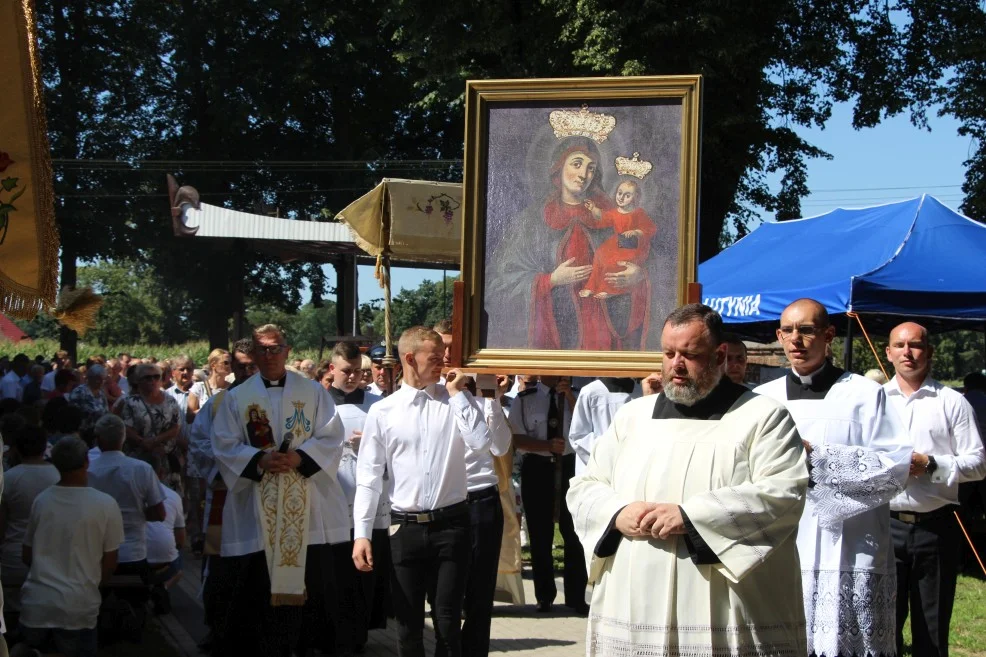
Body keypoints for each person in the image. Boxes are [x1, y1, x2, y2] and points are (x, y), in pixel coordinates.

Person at [567, 303, 809, 656]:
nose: (675, 365)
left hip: (721, 609)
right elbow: (585, 488)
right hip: (633, 600)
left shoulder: (763, 417)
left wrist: (690, 517)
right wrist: (618, 512)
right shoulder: (632, 417)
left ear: (720, 354)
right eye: (668, 353)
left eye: (690, 354)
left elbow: (783, 493)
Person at [755, 299, 912, 657]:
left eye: (807, 330)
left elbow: (897, 467)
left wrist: (819, 459)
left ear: (828, 335)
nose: (797, 339)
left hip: (850, 548)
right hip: (784, 545)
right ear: (779, 336)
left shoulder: (864, 394)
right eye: (789, 331)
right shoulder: (761, 400)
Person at [353, 326, 492, 657]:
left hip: (452, 524)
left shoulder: (456, 401)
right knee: (408, 624)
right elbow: (369, 475)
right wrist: (361, 533)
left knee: (447, 622)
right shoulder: (383, 411)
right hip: (405, 527)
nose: (443, 362)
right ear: (410, 358)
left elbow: (481, 444)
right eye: (435, 357)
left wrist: (459, 395)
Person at [211, 324, 348, 657]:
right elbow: (223, 444)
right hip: (256, 511)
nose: (270, 355)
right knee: (257, 594)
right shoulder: (236, 398)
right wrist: (259, 459)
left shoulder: (313, 392)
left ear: (287, 351)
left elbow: (332, 435)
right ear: (254, 355)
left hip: (307, 507)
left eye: (276, 348)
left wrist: (299, 456)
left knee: (311, 589)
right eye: (263, 350)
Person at [486, 132, 666, 352]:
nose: (583, 174)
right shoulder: (533, 221)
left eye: (591, 168)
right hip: (558, 331)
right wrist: (550, 280)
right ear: (558, 167)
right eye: (577, 164)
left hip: (607, 330)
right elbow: (500, 282)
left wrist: (638, 275)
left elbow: (637, 254)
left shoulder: (611, 216)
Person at [884, 322, 986, 657]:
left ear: (929, 352)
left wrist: (931, 465)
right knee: (884, 628)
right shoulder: (875, 402)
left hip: (936, 528)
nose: (907, 352)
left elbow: (979, 464)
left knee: (932, 628)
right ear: (888, 352)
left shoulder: (952, 402)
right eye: (899, 345)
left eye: (915, 345)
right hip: (884, 526)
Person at [19, 436, 124, 657]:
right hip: (79, 605)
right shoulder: (105, 504)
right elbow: (110, 563)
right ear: (87, 461)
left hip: (37, 603)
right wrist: (89, 585)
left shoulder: (42, 500)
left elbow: (27, 554)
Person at [187, 338, 254, 655]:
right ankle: (217, 627)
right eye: (238, 366)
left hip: (262, 501)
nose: (243, 371)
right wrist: (235, 466)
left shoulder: (275, 403)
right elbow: (199, 445)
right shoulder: (215, 405)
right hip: (224, 500)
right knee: (218, 566)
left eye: (250, 365)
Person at [323, 342, 388, 653]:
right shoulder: (319, 404)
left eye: (357, 372)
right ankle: (331, 632)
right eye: (345, 371)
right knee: (333, 571)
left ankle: (358, 633)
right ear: (332, 369)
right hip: (330, 497)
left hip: (368, 501)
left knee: (363, 573)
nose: (351, 377)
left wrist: (374, 446)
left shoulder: (378, 405)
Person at [508, 374, 588, 614]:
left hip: (571, 466)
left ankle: (575, 596)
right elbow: (517, 438)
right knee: (539, 533)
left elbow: (587, 425)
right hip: (538, 467)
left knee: (574, 532)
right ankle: (544, 595)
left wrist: (571, 398)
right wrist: (546, 446)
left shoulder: (578, 396)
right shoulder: (525, 399)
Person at [87, 414, 166, 629]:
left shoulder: (87, 472)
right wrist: (136, 514)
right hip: (133, 555)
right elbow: (160, 514)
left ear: (98, 439)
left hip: (97, 556)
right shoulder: (141, 469)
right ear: (123, 438)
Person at [0, 425, 59, 627]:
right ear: (45, 448)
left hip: (14, 561)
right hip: (54, 562)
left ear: (16, 448)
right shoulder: (60, 478)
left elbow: (1, 527)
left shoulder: (8, 479)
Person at [581, 176, 657, 300]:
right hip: (618, 242)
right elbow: (603, 217)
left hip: (634, 245)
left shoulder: (638, 213)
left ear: (635, 198)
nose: (621, 197)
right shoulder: (615, 212)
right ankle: (592, 286)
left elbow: (651, 228)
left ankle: (609, 290)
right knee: (600, 254)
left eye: (627, 195)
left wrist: (636, 232)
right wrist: (593, 208)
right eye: (619, 193)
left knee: (615, 262)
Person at [114, 363, 183, 494]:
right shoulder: (129, 402)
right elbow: (125, 427)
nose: (152, 380)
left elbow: (176, 426)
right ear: (138, 380)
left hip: (165, 459)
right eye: (147, 377)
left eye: (156, 377)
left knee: (168, 498)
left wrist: (155, 441)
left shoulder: (170, 401)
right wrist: (143, 442)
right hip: (139, 458)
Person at [569, 377, 641, 476]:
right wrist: (612, 450)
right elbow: (579, 436)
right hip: (599, 470)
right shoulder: (591, 392)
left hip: (632, 467)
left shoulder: (642, 392)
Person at [144, 453, 186, 615]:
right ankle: (163, 586)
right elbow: (181, 538)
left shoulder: (128, 492)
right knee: (179, 562)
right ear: (161, 473)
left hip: (132, 558)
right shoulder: (173, 496)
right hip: (164, 562)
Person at [66, 364, 109, 438]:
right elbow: (72, 415)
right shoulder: (79, 392)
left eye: (103, 379)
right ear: (90, 378)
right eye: (98, 379)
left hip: (98, 434)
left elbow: (106, 411)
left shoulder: (101, 393)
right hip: (82, 434)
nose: (101, 382)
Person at [188, 349, 232, 416]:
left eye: (231, 363)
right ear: (213, 365)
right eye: (226, 363)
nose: (229, 366)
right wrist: (208, 409)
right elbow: (189, 417)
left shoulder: (232, 388)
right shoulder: (199, 388)